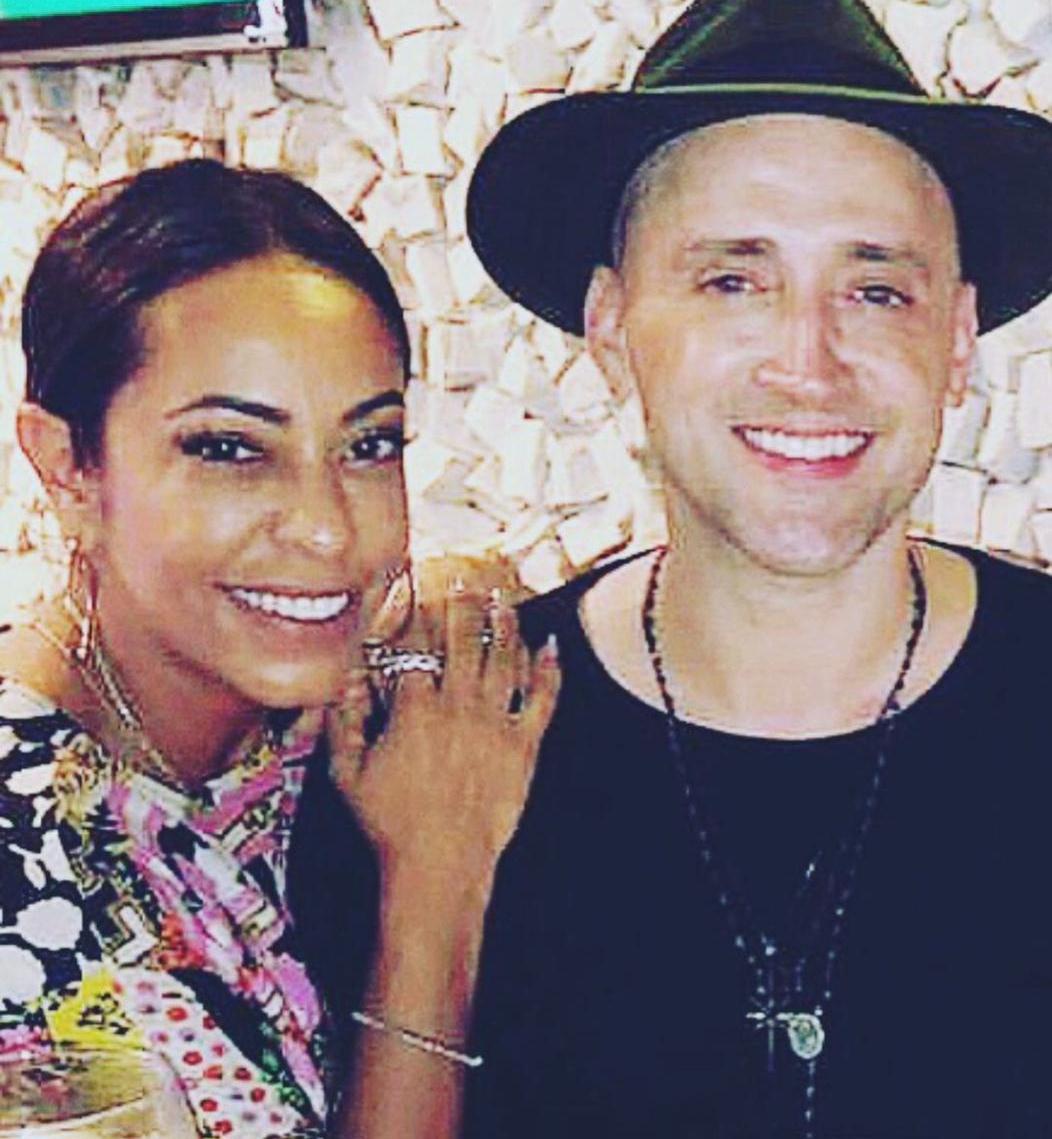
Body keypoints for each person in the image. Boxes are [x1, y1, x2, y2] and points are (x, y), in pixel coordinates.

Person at [295, 1, 1052, 1137]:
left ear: (953, 341)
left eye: (875, 289)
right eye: (731, 281)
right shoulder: (432, 751)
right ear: (611, 329)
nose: (808, 364)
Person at [0, 158, 559, 1138]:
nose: (329, 529)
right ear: (69, 467)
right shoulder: (24, 871)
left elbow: (457, 589)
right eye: (229, 448)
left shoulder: (297, 727)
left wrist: (456, 605)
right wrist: (434, 894)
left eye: (368, 444)